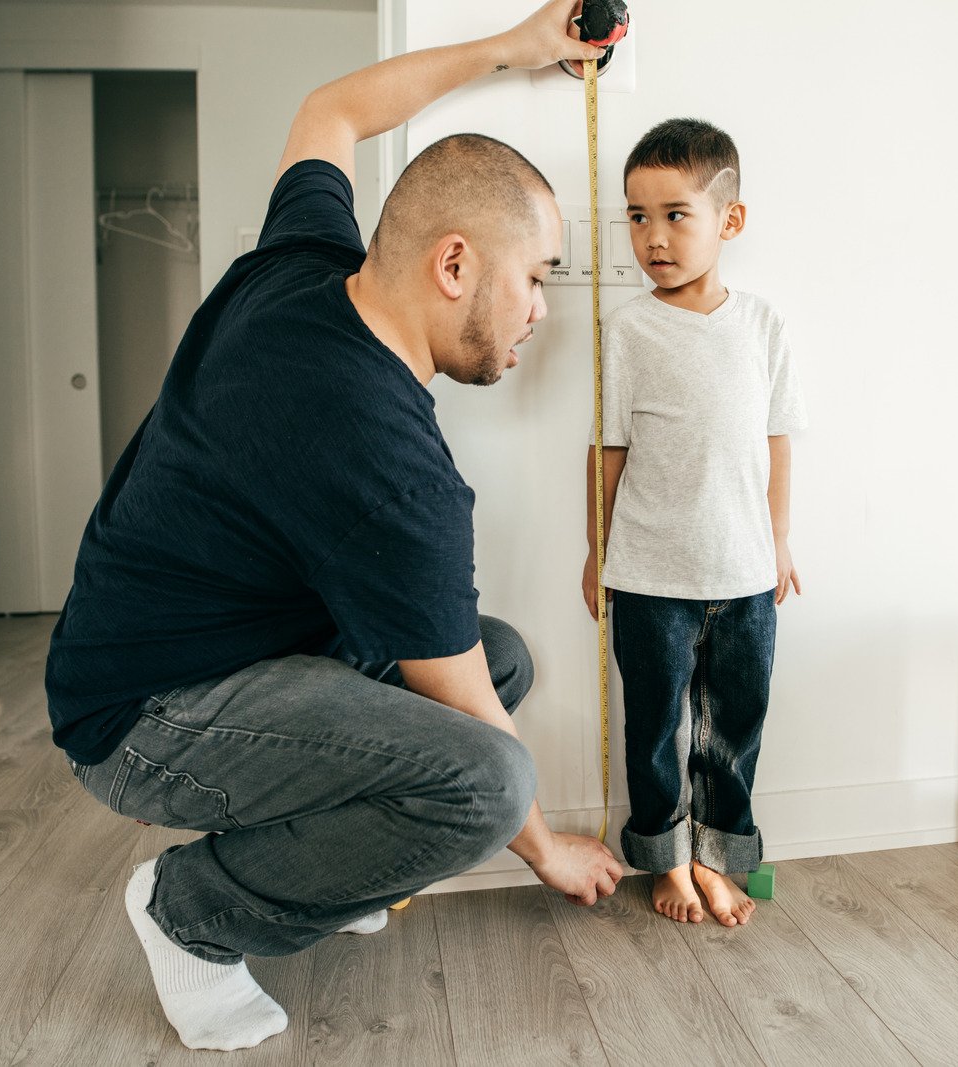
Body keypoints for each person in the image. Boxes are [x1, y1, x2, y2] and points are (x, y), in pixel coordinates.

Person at [44, 2, 620, 1051]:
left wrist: (514, 46)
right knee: (490, 780)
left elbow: (334, 110)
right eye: (534, 277)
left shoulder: (302, 263)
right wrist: (549, 852)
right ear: (453, 265)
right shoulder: (389, 463)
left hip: (188, 649)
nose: (542, 308)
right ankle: (190, 911)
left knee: (499, 657)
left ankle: (313, 868)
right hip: (139, 714)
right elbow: (472, 727)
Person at [581, 118, 808, 927]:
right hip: (649, 574)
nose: (654, 237)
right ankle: (666, 859)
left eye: (676, 214)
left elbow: (778, 445)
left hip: (745, 572)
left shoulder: (763, 327)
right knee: (654, 728)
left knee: (733, 728)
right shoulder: (629, 329)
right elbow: (607, 450)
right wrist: (594, 551)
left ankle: (720, 858)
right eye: (637, 217)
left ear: (728, 221)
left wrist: (778, 544)